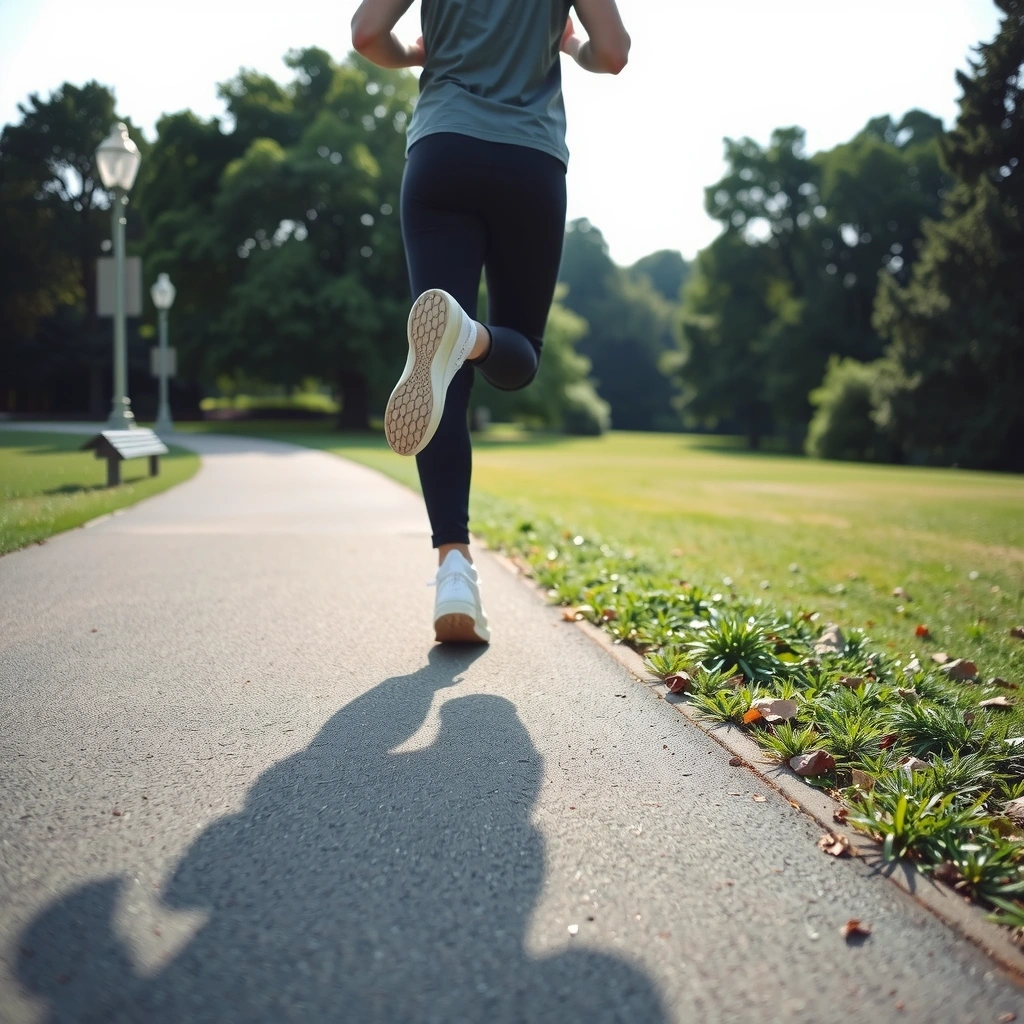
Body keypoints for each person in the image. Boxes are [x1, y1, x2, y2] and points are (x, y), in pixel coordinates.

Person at [351, 0, 630, 643]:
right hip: (528, 160)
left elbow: (368, 35)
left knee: (442, 382)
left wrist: (416, 54)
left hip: (441, 151)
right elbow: (612, 54)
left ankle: (454, 569)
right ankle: (470, 336)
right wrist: (567, 45)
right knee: (518, 358)